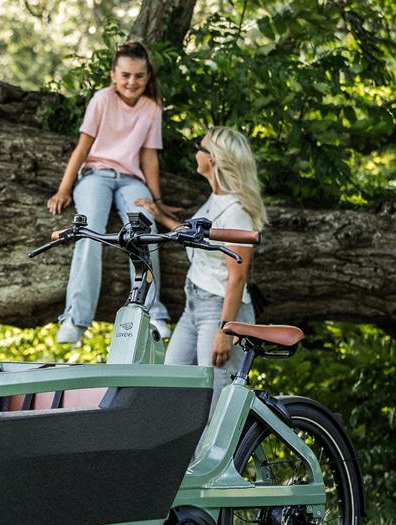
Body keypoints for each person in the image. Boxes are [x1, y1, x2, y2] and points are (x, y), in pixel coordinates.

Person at [46, 42, 180, 345]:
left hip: (131, 179)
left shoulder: (151, 108)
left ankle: (152, 311)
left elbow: (149, 157)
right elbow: (83, 147)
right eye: (126, 75)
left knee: (144, 228)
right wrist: (64, 189)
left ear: (147, 77)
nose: (132, 82)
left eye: (139, 76)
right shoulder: (102, 100)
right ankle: (75, 319)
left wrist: (157, 203)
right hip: (96, 175)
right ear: (113, 75)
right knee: (89, 230)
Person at [136, 126, 267, 404]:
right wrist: (160, 217)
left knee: (214, 403)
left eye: (201, 147)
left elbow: (237, 277)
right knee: (169, 388)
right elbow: (199, 236)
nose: (196, 152)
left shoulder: (236, 211)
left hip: (220, 310)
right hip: (194, 305)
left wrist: (224, 331)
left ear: (213, 159)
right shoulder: (216, 198)